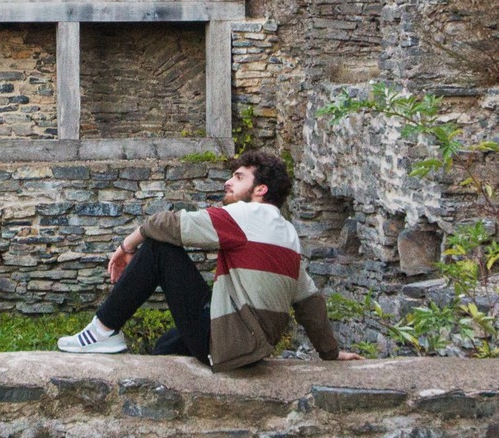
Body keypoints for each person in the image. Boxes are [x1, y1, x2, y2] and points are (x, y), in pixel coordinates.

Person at [54, 149, 364, 368]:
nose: (228, 182)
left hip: (228, 345)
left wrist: (126, 247)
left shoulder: (245, 214)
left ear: (260, 189)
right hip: (251, 347)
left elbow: (165, 224)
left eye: (238, 177)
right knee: (167, 345)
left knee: (159, 248)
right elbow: (310, 302)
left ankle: (103, 331)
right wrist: (330, 353)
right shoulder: (288, 235)